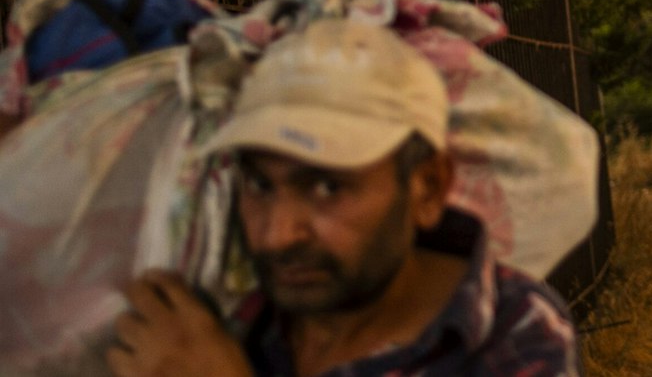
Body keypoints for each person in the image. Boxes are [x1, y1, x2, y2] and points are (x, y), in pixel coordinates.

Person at [102, 19, 579, 377]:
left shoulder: (511, 337)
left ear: (428, 187)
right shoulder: (225, 302)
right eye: (260, 185)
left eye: (328, 187)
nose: (277, 233)